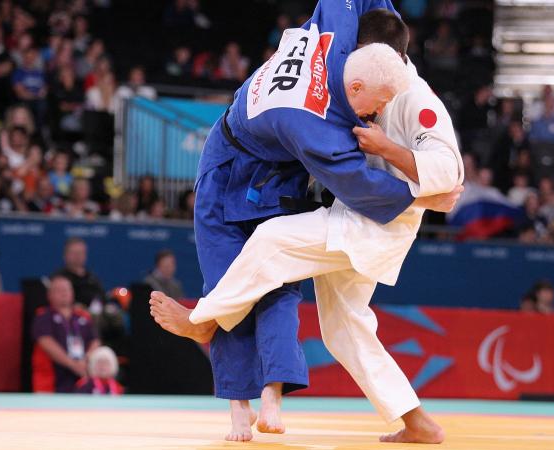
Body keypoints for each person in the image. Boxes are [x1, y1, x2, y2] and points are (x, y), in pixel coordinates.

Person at [150, 5, 459, 444]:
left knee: (273, 240)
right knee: (343, 328)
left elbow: (449, 175)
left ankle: (206, 319)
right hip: (355, 206)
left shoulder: (415, 98)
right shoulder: (345, 45)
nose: (377, 108)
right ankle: (416, 422)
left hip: (378, 217)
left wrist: (390, 150)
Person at [31, 275, 100, 393]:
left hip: (82, 376)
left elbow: (95, 341)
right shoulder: (43, 316)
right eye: (59, 290)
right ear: (49, 295)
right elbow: (47, 343)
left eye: (66, 289)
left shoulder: (83, 316)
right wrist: (73, 364)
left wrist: (86, 359)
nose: (64, 293)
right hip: (52, 380)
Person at [52, 237, 104, 311]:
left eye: (81, 253)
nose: (78, 256)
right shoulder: (58, 279)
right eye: (74, 253)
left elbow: (102, 298)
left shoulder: (92, 278)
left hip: (93, 317)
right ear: (65, 255)